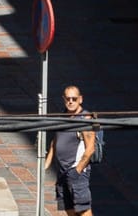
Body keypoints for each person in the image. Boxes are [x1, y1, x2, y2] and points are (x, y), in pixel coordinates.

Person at [45, 84, 96, 214]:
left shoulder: (85, 118)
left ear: (80, 99)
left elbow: (90, 148)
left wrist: (77, 171)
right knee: (69, 210)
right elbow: (54, 143)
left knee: (84, 211)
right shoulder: (62, 117)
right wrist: (44, 166)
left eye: (74, 98)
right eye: (68, 99)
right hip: (62, 173)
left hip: (76, 173)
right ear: (64, 99)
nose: (71, 101)